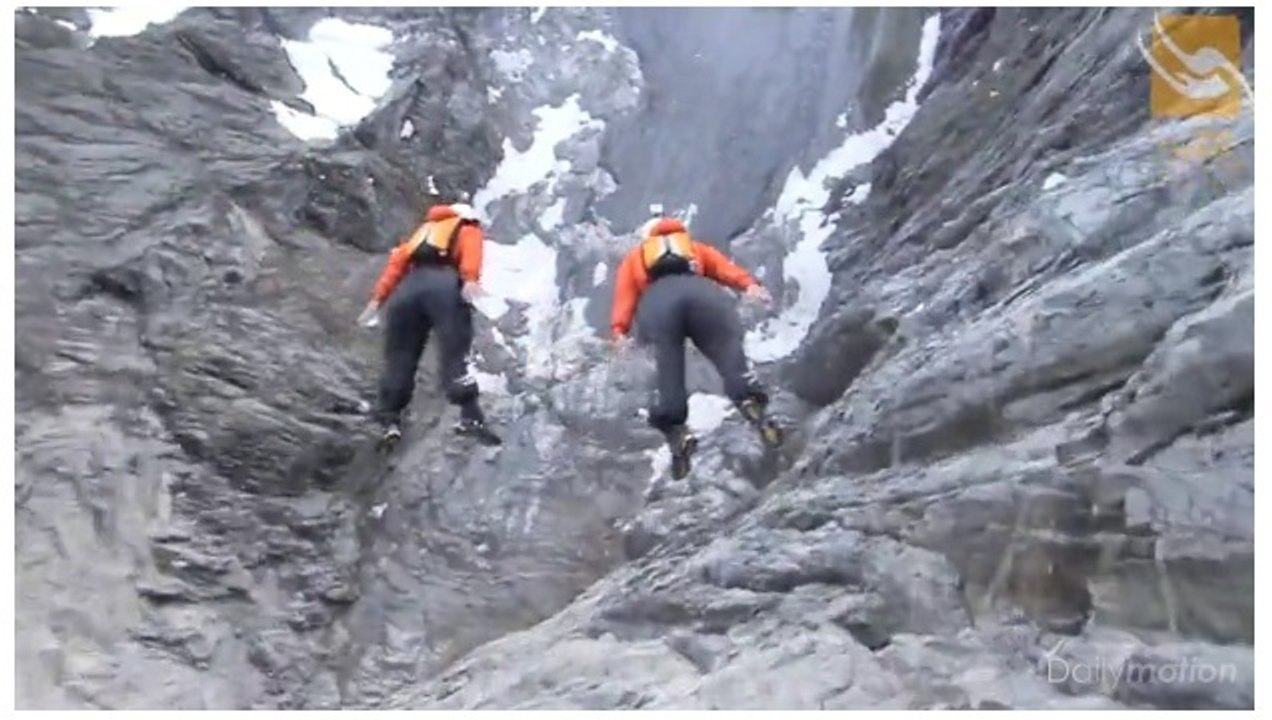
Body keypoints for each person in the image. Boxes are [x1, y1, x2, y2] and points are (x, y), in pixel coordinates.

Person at [610, 206, 781, 479]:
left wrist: (619, 331)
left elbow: (625, 297)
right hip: (703, 295)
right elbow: (725, 270)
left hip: (659, 304)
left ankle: (676, 429)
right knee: (726, 349)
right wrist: (750, 285)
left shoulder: (635, 258)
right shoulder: (695, 248)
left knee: (667, 369)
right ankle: (748, 398)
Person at [357, 202, 500, 450]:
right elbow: (472, 250)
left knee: (400, 356)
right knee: (454, 350)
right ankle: (470, 416)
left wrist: (376, 299)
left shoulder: (424, 230)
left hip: (407, 290)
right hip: (443, 286)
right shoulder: (466, 226)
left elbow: (396, 264)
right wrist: (469, 279)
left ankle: (389, 418)